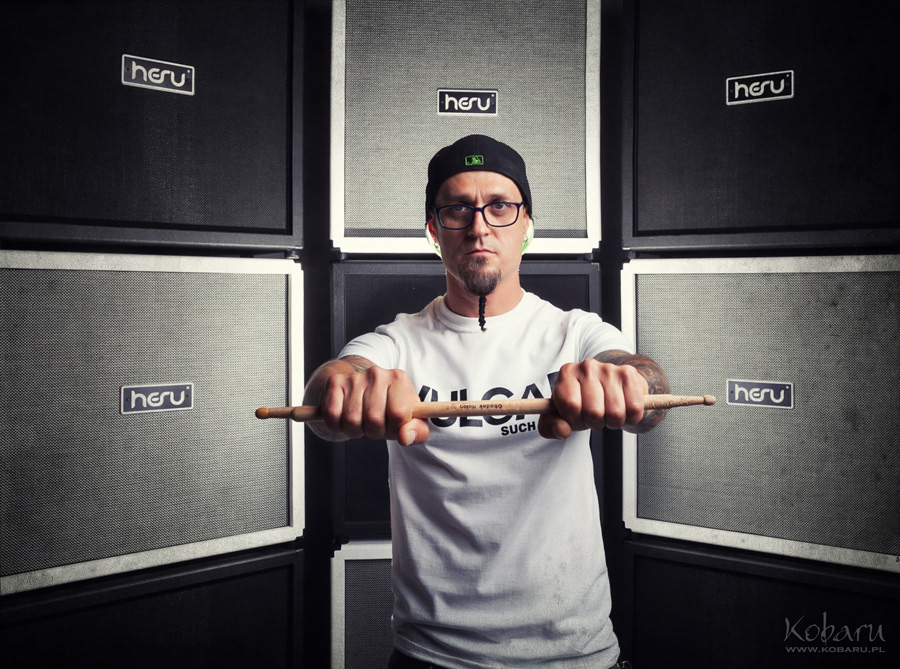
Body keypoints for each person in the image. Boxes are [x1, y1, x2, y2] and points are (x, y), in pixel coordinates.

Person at [304, 135, 667, 668]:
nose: (479, 227)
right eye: (457, 209)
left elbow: (647, 388)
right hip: (431, 655)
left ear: (527, 227)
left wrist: (630, 386)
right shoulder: (396, 342)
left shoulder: (576, 332)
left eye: (500, 207)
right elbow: (333, 384)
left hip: (576, 651)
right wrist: (341, 387)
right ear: (434, 231)